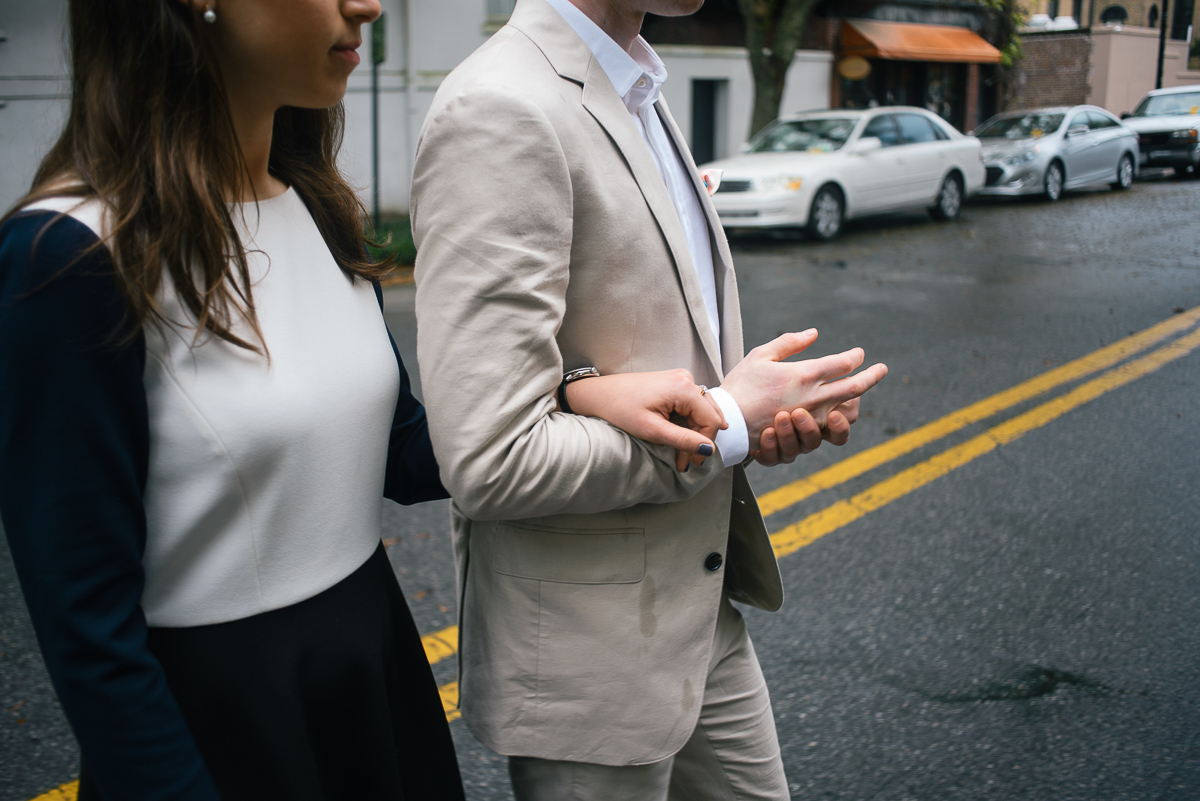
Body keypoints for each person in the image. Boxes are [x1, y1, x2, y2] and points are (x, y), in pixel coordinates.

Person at [0, 0, 732, 798]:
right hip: (223, 723)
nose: (368, 4)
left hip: (374, 683)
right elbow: (87, 632)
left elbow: (409, 453)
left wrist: (578, 392)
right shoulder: (67, 257)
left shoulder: (315, 206)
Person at [409, 0, 889, 798]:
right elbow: (490, 457)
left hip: (700, 610)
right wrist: (726, 425)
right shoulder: (499, 106)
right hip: (589, 647)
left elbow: (632, 347)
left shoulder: (637, 86)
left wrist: (752, 415)